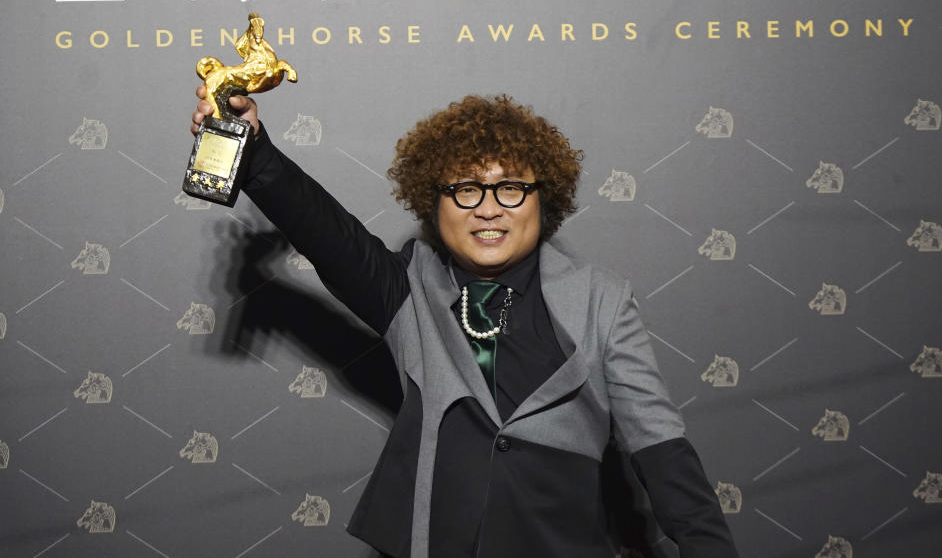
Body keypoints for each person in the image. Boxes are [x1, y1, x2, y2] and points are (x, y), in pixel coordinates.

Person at [190, 90, 739, 558]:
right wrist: (252, 148)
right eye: (465, 189)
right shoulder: (407, 287)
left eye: (511, 188)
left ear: (543, 200)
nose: (489, 209)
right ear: (435, 203)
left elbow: (661, 448)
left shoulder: (603, 300)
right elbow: (328, 234)